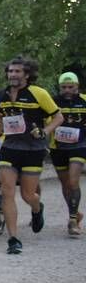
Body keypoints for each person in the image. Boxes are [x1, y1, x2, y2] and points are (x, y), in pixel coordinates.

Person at [0, 56, 63, 254]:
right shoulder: (2, 94)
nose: (12, 75)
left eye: (17, 71)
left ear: (27, 74)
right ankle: (13, 239)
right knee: (7, 191)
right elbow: (0, 116)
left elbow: (59, 116)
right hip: (10, 147)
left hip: (33, 149)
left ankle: (37, 207)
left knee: (27, 194)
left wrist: (45, 132)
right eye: (10, 71)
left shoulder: (38, 93)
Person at [50, 72, 85, 236]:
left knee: (73, 181)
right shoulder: (53, 102)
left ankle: (72, 220)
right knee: (65, 185)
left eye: (71, 87)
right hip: (58, 147)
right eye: (64, 87)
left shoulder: (84, 100)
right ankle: (75, 212)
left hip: (79, 145)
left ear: (77, 86)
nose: (67, 90)